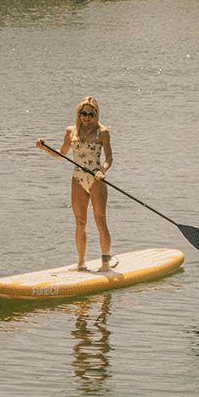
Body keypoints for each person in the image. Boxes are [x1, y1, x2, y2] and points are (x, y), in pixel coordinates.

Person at [36, 97, 116, 271]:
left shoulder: (102, 132)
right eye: (83, 113)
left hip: (96, 179)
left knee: (100, 220)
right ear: (79, 113)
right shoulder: (71, 132)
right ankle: (81, 263)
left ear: (96, 114)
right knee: (80, 222)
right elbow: (61, 154)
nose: (87, 117)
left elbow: (109, 157)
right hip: (78, 179)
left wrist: (103, 170)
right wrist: (44, 148)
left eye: (91, 114)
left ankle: (105, 264)